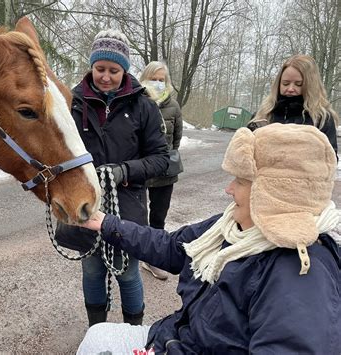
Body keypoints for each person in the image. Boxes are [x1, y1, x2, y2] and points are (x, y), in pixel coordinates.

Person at [77, 123, 341, 354]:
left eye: (240, 180)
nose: (228, 189)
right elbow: (172, 247)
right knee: (97, 336)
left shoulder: (301, 273)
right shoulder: (231, 226)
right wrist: (106, 223)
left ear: (275, 194)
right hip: (176, 338)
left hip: (181, 345)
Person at [70, 29, 169, 327]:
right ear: (91, 66)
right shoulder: (74, 103)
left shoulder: (144, 106)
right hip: (87, 203)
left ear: (124, 69)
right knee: (91, 270)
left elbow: (161, 159)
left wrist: (125, 171)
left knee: (127, 271)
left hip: (127, 204)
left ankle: (133, 332)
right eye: (100, 69)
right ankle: (96, 329)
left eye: (114, 70)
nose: (106, 77)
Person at [139, 61, 183, 281]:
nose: (157, 83)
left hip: (165, 173)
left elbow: (176, 140)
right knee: (136, 216)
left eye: (161, 80)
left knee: (158, 217)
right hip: (141, 170)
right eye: (153, 79)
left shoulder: (174, 106)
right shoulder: (136, 102)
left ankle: (152, 259)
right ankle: (132, 251)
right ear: (145, 79)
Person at [247, 54, 338, 155]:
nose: (290, 89)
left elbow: (331, 159)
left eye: (298, 84)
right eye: (285, 83)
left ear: (311, 86)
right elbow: (245, 152)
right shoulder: (262, 115)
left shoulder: (322, 118)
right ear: (278, 84)